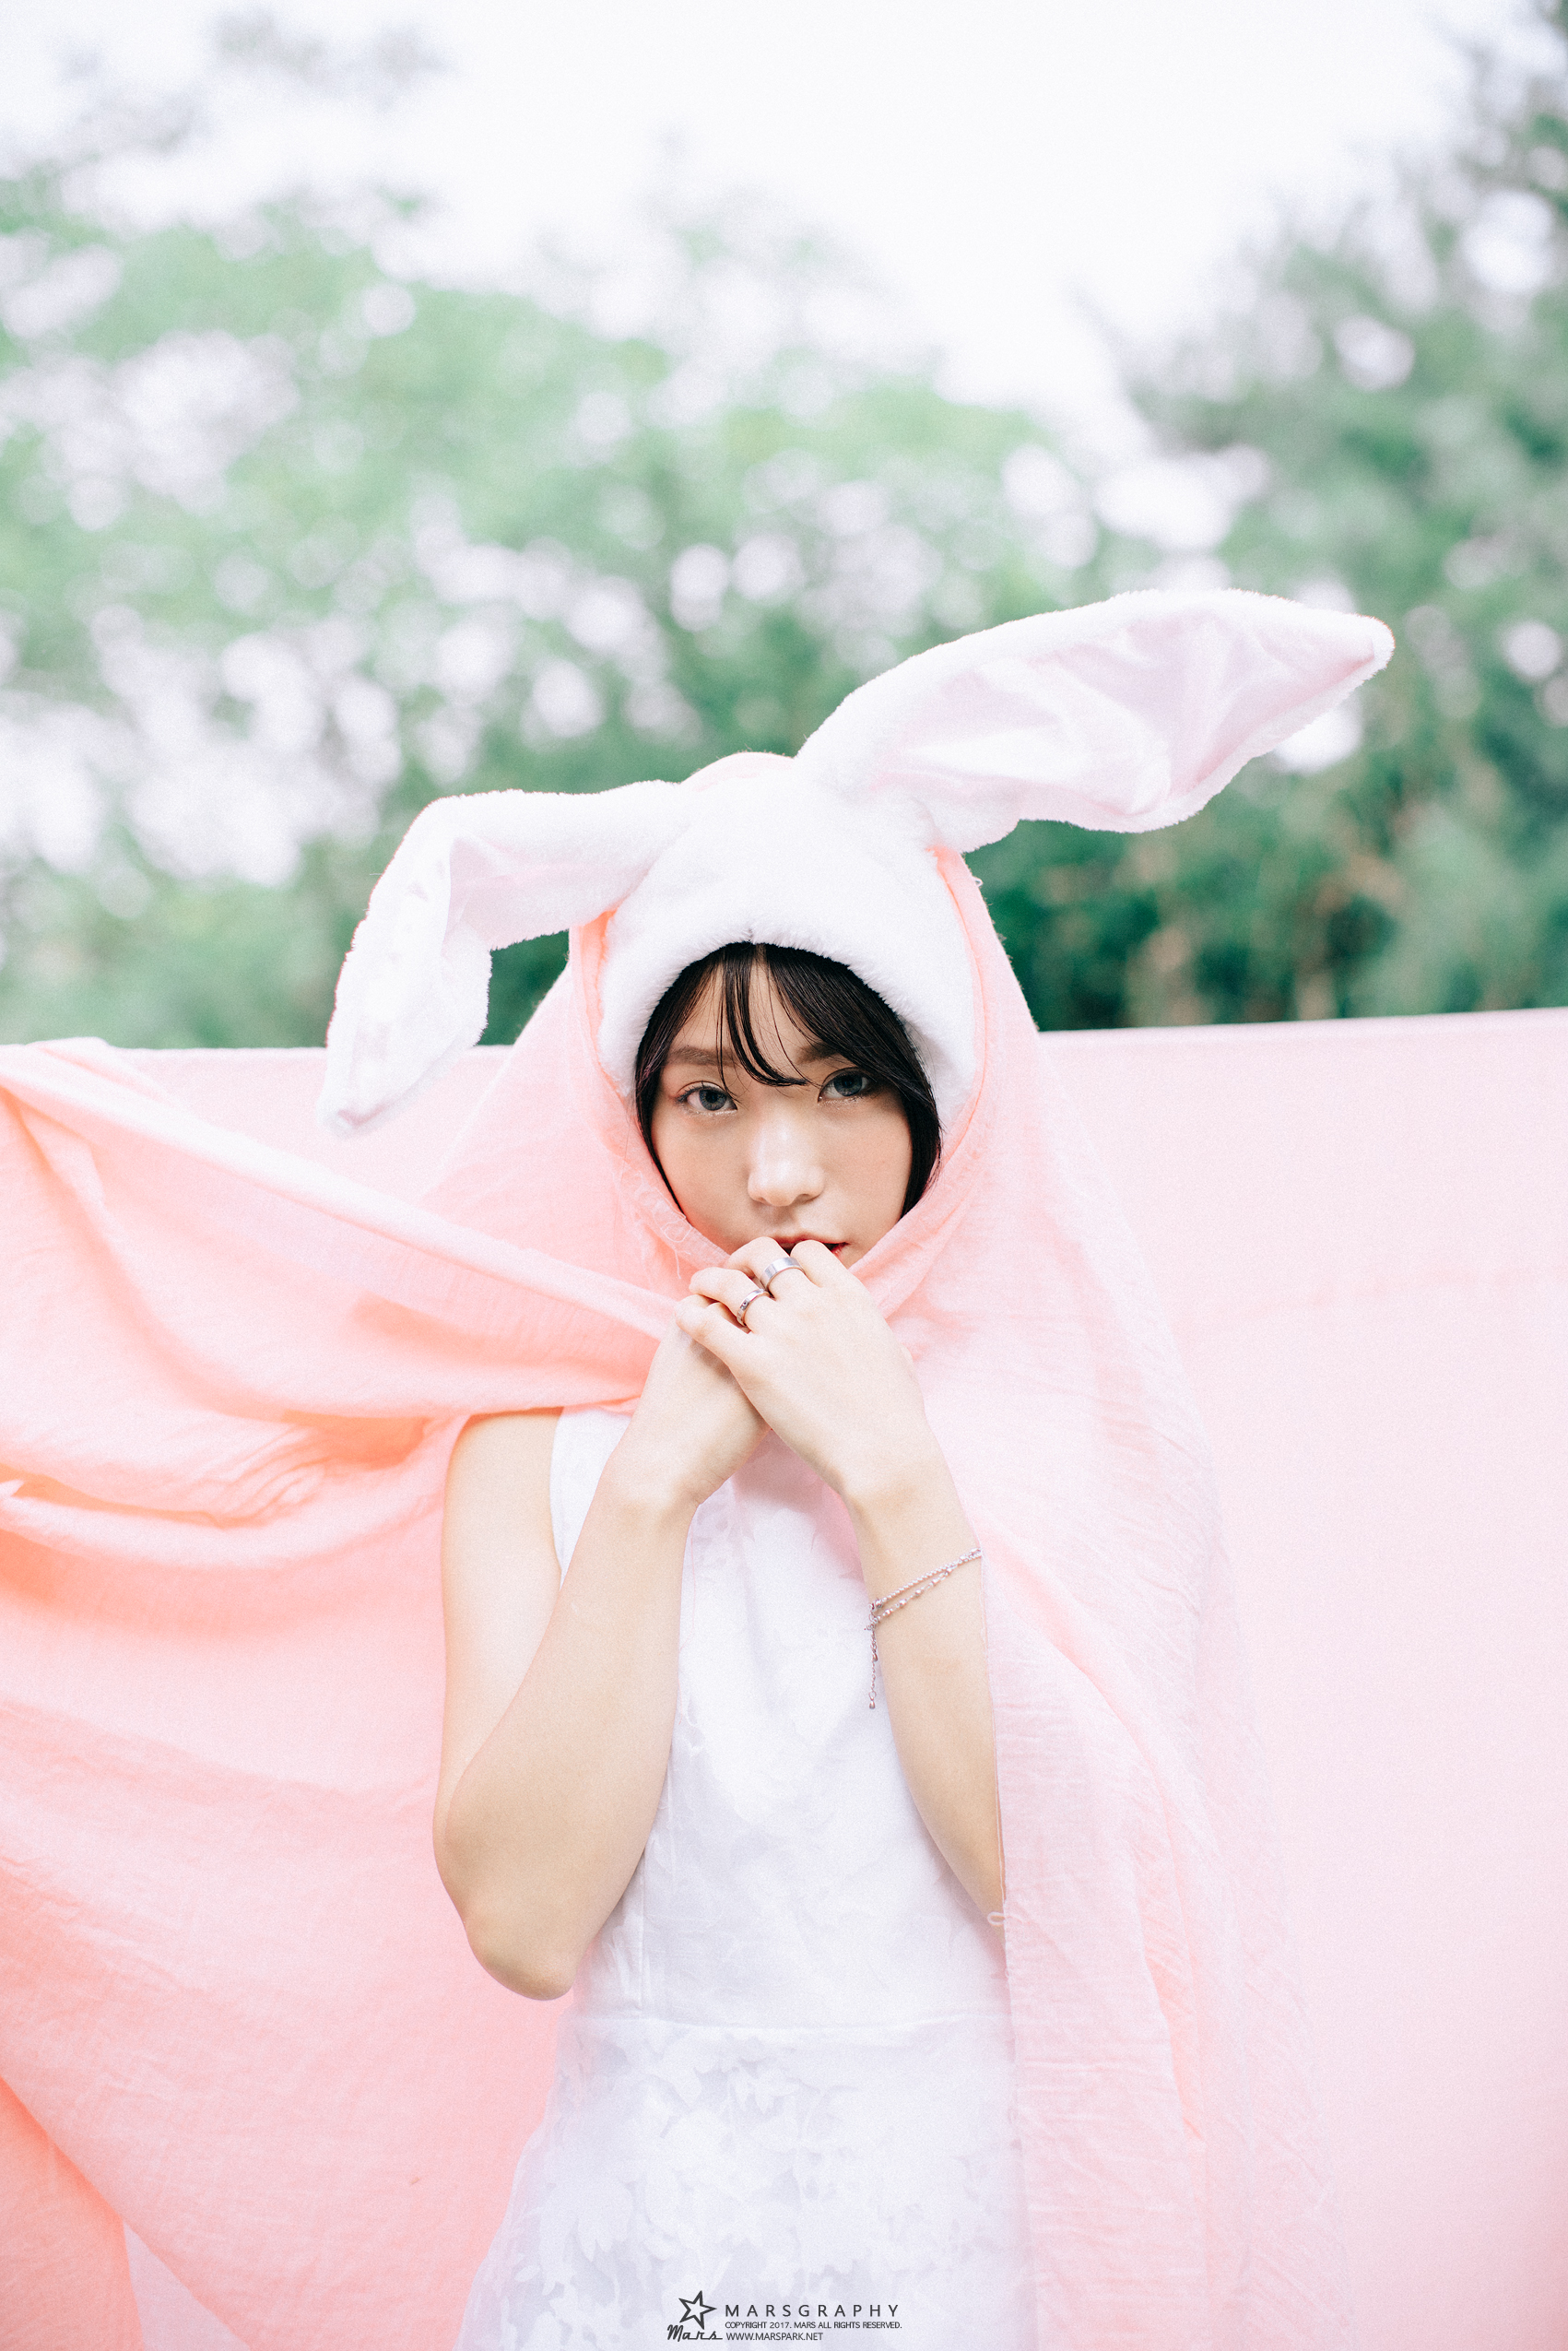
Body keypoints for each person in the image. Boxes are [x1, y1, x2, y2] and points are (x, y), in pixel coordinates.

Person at [308, 586, 1392, 2350]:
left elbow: (1054, 1893)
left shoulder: (1070, 1422)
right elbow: (522, 1921)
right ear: (631, 1115)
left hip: (982, 2254)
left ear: (935, 1097)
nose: (777, 1170)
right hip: (644, 2263)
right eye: (709, 1096)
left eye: (837, 1085)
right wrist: (652, 1487)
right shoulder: (535, 1441)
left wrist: (892, 1470)